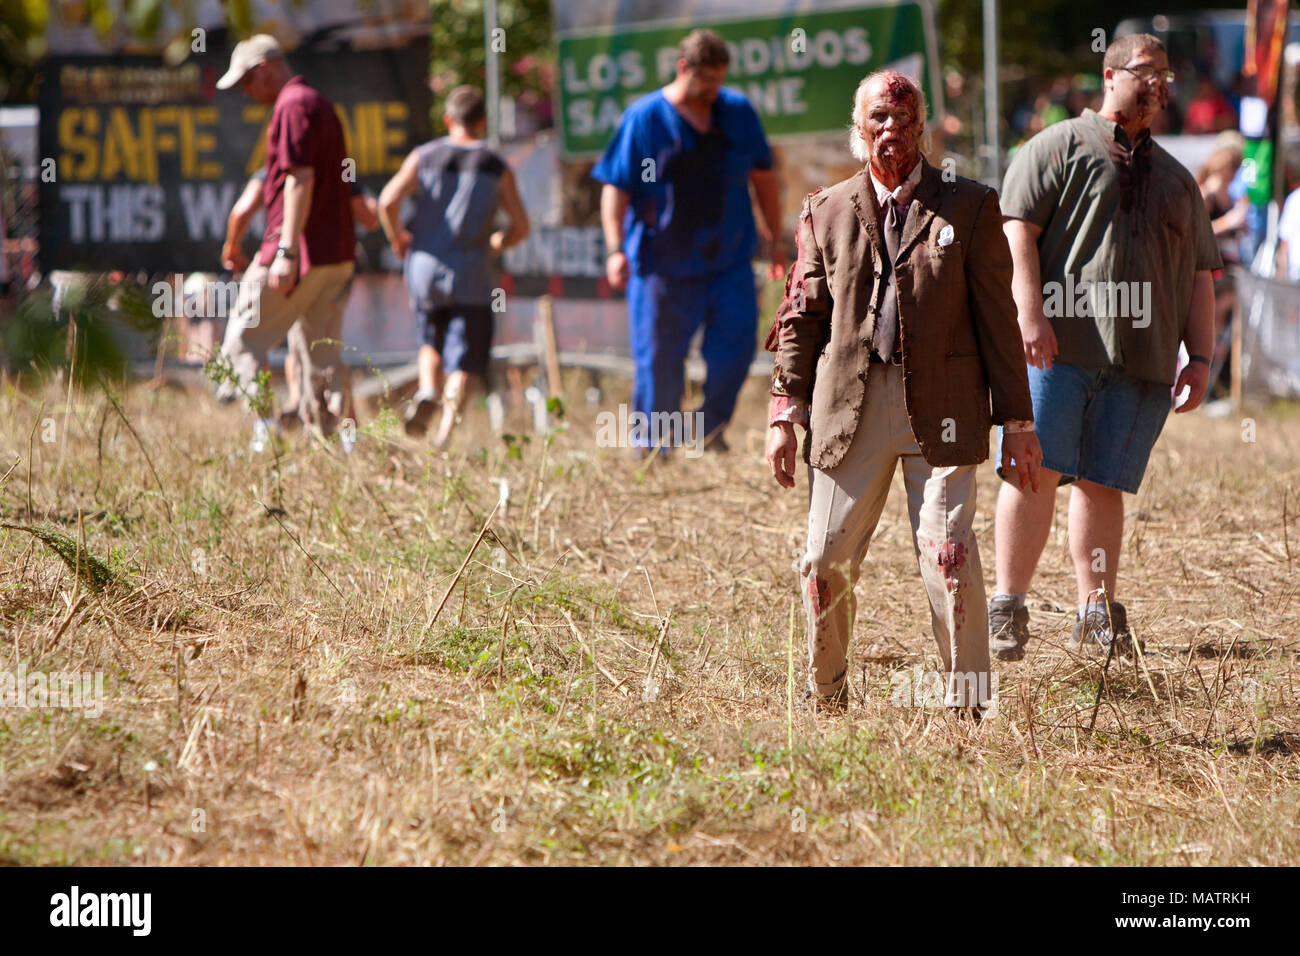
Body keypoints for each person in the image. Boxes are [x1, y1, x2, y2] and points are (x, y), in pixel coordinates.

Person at [764, 71, 1041, 716]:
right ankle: (828, 696)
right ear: (858, 131)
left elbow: (1000, 322)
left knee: (949, 555)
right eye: (879, 119)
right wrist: (785, 411)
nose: (892, 129)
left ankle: (968, 707)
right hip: (848, 410)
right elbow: (802, 313)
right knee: (824, 561)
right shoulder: (825, 209)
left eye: (905, 118)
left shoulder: (970, 206)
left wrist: (1019, 424)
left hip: (942, 409)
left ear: (923, 127)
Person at [989, 34, 1221, 661]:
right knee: (1033, 470)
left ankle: (1096, 611)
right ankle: (1007, 605)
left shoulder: (1177, 178)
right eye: (1148, 72)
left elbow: (1202, 275)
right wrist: (1029, 313)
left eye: (1167, 75)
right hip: (1058, 350)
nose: (1160, 84)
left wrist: (1200, 358)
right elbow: (1018, 235)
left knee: (1103, 484)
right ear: (1110, 74)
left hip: (1142, 362)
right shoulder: (1057, 146)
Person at [593, 29, 783, 455]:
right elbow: (616, 187)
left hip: (729, 259)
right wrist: (614, 248)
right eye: (706, 82)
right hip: (661, 265)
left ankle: (707, 431)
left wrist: (774, 235)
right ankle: (654, 448)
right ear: (684, 68)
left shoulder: (736, 112)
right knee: (659, 362)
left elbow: (764, 177)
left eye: (719, 81)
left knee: (735, 352)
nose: (713, 91)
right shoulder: (644, 119)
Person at [214, 34, 356, 437]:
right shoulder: (317, 102)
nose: (246, 92)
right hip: (335, 255)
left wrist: (287, 251)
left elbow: (299, 180)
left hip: (301, 252)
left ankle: (264, 435)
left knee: (242, 341)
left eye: (246, 82)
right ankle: (330, 446)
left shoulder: (292, 105)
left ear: (264, 69)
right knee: (320, 357)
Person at [378, 85, 530, 447]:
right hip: (472, 272)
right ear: (482, 122)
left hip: (424, 267)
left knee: (430, 337)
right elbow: (520, 226)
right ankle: (444, 436)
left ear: (448, 119)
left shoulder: (425, 155)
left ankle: (428, 388)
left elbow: (387, 200)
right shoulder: (495, 165)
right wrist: (498, 242)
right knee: (465, 358)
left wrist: (397, 237)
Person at [221, 167, 380, 424]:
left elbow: (242, 210)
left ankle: (266, 427)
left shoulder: (279, 168)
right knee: (321, 353)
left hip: (288, 268)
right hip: (334, 266)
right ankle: (343, 435)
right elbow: (371, 217)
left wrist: (232, 246)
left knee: (248, 341)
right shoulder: (342, 169)